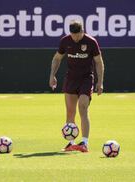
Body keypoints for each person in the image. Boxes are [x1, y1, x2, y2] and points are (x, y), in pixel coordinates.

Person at [49, 20, 105, 152]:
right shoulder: (65, 41)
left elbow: (99, 62)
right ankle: (71, 143)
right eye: (73, 35)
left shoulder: (91, 42)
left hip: (86, 79)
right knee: (70, 111)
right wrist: (52, 75)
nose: (75, 38)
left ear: (82, 31)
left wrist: (100, 81)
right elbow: (57, 58)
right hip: (71, 79)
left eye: (77, 35)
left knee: (83, 108)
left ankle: (84, 143)